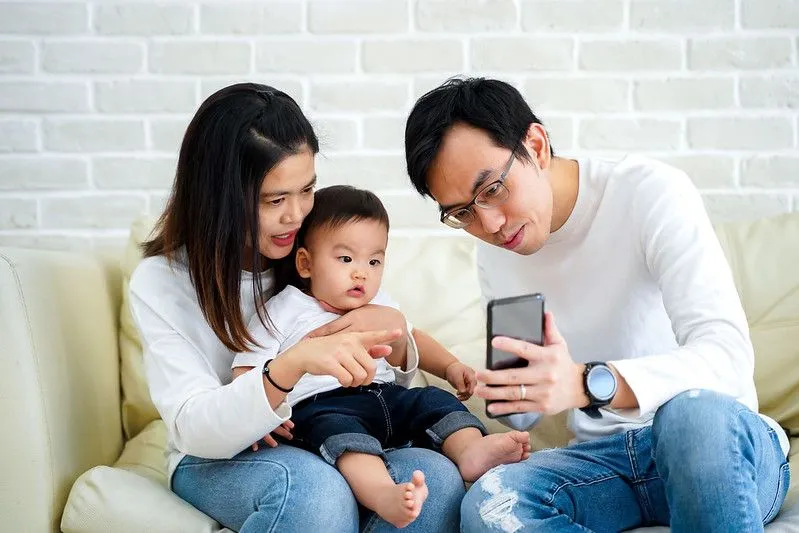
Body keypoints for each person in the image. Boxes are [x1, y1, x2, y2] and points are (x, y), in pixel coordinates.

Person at [403, 77, 791, 532]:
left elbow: (728, 358)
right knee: (490, 505)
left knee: (691, 417)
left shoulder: (649, 192)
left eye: (492, 189)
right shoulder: (498, 250)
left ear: (536, 144)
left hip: (718, 448)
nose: (488, 223)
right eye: (462, 212)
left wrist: (588, 383)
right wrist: (509, 389)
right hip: (605, 463)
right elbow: (524, 405)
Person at [128, 82, 467, 533]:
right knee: (312, 492)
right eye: (274, 200)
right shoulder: (163, 281)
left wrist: (387, 326)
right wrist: (284, 371)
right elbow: (195, 426)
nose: (296, 215)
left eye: (306, 190)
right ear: (221, 197)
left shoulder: (313, 249)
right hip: (223, 454)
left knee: (437, 479)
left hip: (338, 427)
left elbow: (387, 355)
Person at [230, 184, 532, 528]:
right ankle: (382, 493)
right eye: (346, 259)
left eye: (374, 261)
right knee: (344, 437)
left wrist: (450, 367)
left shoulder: (383, 305)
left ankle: (470, 451)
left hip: (386, 398)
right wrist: (257, 417)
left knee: (433, 400)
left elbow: (413, 336)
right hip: (322, 405)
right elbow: (247, 367)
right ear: (305, 263)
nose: (362, 272)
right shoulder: (283, 309)